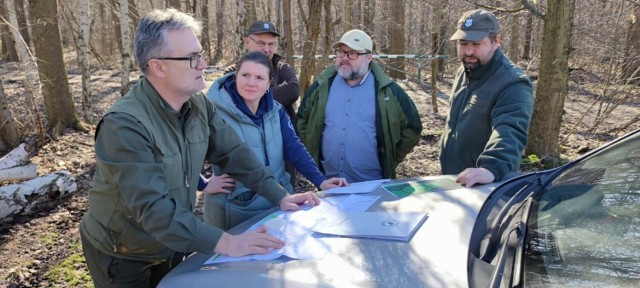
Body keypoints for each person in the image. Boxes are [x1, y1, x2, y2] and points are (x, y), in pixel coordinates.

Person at [79, 9, 320, 287]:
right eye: (193, 58)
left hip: (173, 245)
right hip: (122, 254)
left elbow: (235, 154)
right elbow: (154, 210)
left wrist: (279, 196)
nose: (203, 64)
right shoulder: (124, 126)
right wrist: (229, 243)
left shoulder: (197, 104)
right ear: (158, 66)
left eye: (201, 54)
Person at [203, 51, 348, 230]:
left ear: (269, 83)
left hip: (279, 202)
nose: (251, 83)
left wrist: (321, 181)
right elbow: (182, 154)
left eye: (259, 77)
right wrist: (202, 183)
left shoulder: (276, 111)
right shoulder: (212, 112)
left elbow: (293, 147)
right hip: (235, 211)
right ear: (235, 76)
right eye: (245, 75)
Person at [297, 29, 422, 183]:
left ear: (369, 57)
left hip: (372, 184)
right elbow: (302, 120)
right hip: (329, 184)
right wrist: (313, 152)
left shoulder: (388, 90)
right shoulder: (322, 86)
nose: (344, 58)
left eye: (353, 53)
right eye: (341, 52)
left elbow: (413, 128)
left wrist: (389, 157)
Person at [440, 9, 534, 187]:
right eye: (463, 43)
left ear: (496, 41)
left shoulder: (512, 83)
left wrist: (490, 167)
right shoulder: (466, 70)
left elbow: (510, 130)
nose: (468, 52)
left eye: (476, 44)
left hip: (486, 185)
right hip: (455, 180)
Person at [223, 20, 300, 186]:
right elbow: (234, 102)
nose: (267, 49)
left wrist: (253, 95)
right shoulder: (232, 73)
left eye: (271, 44)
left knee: (287, 200)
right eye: (260, 43)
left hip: (284, 152)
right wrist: (278, 91)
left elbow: (293, 90)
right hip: (247, 152)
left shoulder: (283, 69)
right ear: (246, 42)